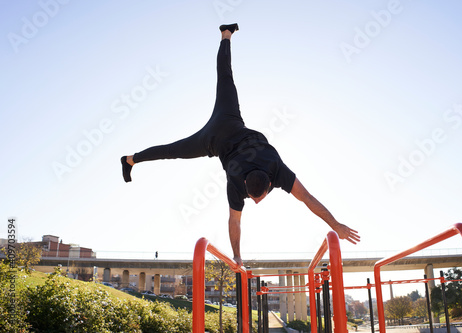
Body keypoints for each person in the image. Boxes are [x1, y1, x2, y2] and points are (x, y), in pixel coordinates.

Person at [121, 24, 360, 265]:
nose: (255, 202)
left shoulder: (276, 167)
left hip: (229, 120)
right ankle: (130, 160)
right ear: (247, 183)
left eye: (258, 197)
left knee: (225, 78)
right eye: (254, 197)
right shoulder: (239, 182)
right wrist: (236, 255)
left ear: (269, 183)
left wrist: (336, 225)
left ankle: (226, 35)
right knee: (172, 149)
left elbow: (308, 198)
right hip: (214, 137)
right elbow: (235, 221)